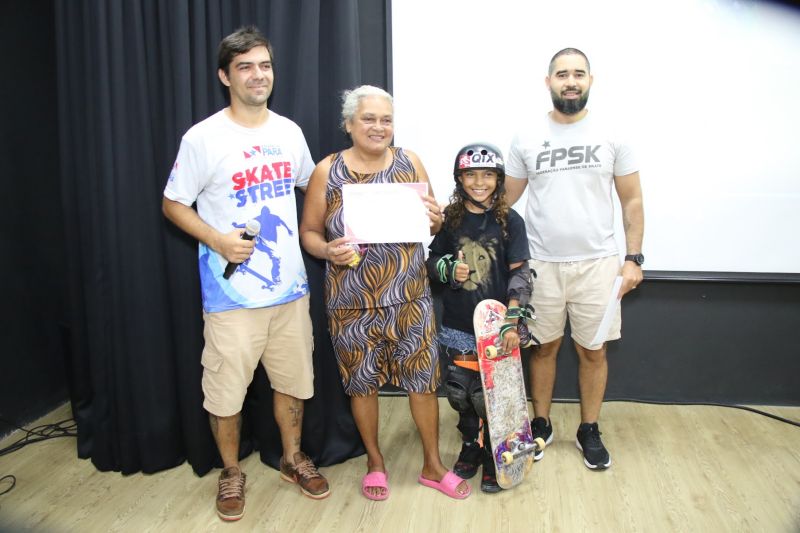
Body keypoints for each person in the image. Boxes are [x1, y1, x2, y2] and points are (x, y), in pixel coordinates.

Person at [162, 26, 330, 521]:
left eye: (265, 66)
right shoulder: (203, 137)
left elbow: (316, 186)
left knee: (294, 382)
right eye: (245, 67)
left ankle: (292, 458)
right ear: (225, 76)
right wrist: (217, 240)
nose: (258, 75)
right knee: (225, 391)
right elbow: (173, 203)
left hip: (289, 291)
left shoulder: (289, 132)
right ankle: (231, 471)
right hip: (230, 296)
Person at [299, 85, 471, 501]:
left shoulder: (410, 162)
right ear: (349, 124)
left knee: (423, 382)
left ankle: (433, 465)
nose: (379, 127)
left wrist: (435, 218)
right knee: (362, 384)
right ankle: (375, 462)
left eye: (386, 120)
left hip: (409, 296)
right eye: (369, 119)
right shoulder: (327, 171)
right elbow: (309, 233)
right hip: (351, 302)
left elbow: (433, 224)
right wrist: (327, 250)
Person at [504, 48, 645, 471]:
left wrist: (633, 258)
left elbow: (632, 200)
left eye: (578, 74)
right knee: (542, 348)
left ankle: (589, 429)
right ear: (548, 81)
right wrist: (455, 219)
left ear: (590, 80)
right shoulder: (526, 136)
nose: (570, 81)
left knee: (593, 351)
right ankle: (541, 424)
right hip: (540, 264)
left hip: (598, 264)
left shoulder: (613, 134)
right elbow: (504, 200)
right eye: (562, 74)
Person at [426, 143, 534, 493]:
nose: (479, 182)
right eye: (471, 175)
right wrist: (447, 269)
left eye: (488, 175)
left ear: (498, 180)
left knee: (492, 397)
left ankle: (493, 453)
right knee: (461, 393)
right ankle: (471, 445)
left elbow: (520, 273)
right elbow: (431, 262)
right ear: (459, 179)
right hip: (458, 323)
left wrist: (512, 320)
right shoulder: (450, 219)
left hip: (497, 327)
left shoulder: (510, 221)